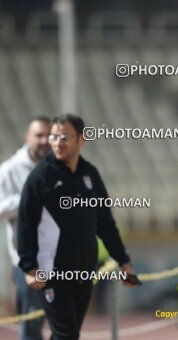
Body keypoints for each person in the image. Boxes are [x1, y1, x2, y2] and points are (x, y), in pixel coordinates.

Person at [17, 114, 139, 340]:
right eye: (54, 137)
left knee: (64, 334)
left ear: (81, 139)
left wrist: (123, 261)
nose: (57, 143)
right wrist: (29, 266)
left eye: (64, 137)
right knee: (67, 335)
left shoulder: (89, 174)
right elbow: (25, 223)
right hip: (51, 272)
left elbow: (105, 222)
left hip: (84, 271)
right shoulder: (40, 177)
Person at [0, 116, 51, 340]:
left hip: (59, 258)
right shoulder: (10, 170)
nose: (44, 141)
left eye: (48, 136)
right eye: (39, 135)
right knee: (32, 322)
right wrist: (28, 200)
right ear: (27, 137)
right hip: (27, 261)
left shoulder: (58, 166)